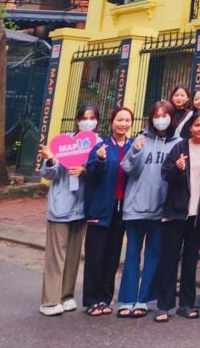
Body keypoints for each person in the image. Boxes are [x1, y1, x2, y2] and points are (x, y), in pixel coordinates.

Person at [117, 100, 179, 317]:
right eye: (157, 115)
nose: (160, 119)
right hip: (135, 206)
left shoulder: (178, 144)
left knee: (153, 255)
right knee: (132, 254)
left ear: (172, 118)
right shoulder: (140, 139)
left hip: (160, 210)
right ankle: (126, 299)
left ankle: (144, 299)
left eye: (165, 115)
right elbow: (127, 168)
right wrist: (135, 151)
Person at [154, 110, 200, 321]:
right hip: (176, 212)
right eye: (197, 125)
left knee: (190, 260)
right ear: (190, 127)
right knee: (169, 259)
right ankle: (164, 305)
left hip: (198, 215)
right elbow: (165, 174)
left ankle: (187, 304)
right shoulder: (179, 147)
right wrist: (177, 168)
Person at [38, 104, 95, 316]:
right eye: (84, 118)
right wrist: (51, 160)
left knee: (73, 255)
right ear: (77, 120)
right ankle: (49, 300)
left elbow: (99, 172)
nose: (88, 121)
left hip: (82, 207)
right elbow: (48, 174)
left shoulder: (97, 143)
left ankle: (66, 295)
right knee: (56, 256)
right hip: (61, 206)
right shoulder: (62, 143)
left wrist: (86, 170)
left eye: (92, 118)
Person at [83, 105, 134, 316]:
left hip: (122, 210)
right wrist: (100, 160)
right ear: (112, 122)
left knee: (113, 256)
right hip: (102, 208)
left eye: (127, 120)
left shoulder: (133, 146)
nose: (123, 124)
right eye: (119, 120)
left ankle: (105, 298)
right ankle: (91, 300)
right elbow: (91, 175)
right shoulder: (101, 146)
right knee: (95, 256)